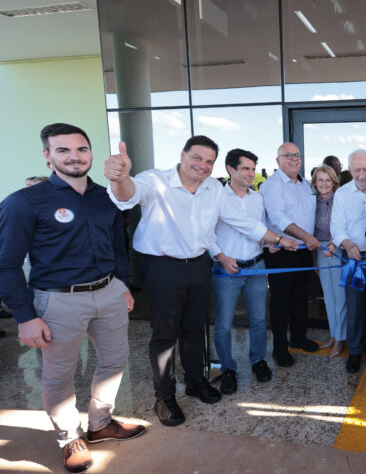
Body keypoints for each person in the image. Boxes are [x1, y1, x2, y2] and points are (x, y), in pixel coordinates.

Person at [0, 123, 145, 473]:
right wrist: (25, 316)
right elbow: (6, 264)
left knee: (114, 361)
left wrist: (122, 283)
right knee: (58, 375)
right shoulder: (24, 202)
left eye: (81, 149)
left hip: (109, 293)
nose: (74, 156)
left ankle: (100, 424)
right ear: (48, 157)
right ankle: (69, 438)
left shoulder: (104, 197)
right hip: (58, 301)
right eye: (63, 150)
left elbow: (117, 245)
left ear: (91, 154)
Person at [105, 135, 224, 427]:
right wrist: (120, 178)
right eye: (197, 158)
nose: (203, 165)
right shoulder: (156, 180)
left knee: (195, 329)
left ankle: (196, 382)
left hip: (198, 265)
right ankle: (165, 396)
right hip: (163, 267)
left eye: (209, 161)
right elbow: (126, 196)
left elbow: (211, 230)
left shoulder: (214, 187)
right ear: (182, 155)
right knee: (164, 336)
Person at [210, 149, 298, 395]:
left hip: (257, 266)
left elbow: (258, 230)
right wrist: (220, 256)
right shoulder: (218, 198)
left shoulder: (257, 198)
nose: (251, 174)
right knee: (224, 325)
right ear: (230, 169)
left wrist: (269, 243)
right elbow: (206, 234)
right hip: (227, 268)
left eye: (253, 168)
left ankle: (258, 361)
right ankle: (228, 368)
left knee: (259, 320)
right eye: (246, 169)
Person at [260, 143, 321, 367]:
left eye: (297, 155)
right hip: (282, 252)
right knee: (280, 301)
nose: (294, 159)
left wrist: (310, 245)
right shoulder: (272, 185)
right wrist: (307, 238)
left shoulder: (306, 184)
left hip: (305, 251)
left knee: (300, 298)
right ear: (278, 160)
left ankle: (298, 337)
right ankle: (279, 347)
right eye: (288, 155)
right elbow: (278, 218)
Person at [330, 149, 366, 373]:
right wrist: (348, 244)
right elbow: (337, 226)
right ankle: (354, 350)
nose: (362, 174)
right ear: (350, 170)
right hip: (352, 257)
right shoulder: (342, 194)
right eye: (357, 169)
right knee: (354, 307)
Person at [311, 164, 346, 358]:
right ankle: (334, 335)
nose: (324, 183)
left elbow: (342, 225)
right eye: (320, 179)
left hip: (336, 249)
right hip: (319, 250)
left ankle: (341, 338)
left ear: (334, 182)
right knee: (329, 297)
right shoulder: (313, 201)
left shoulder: (338, 200)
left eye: (327, 179)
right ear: (315, 182)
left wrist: (332, 244)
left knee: (340, 298)